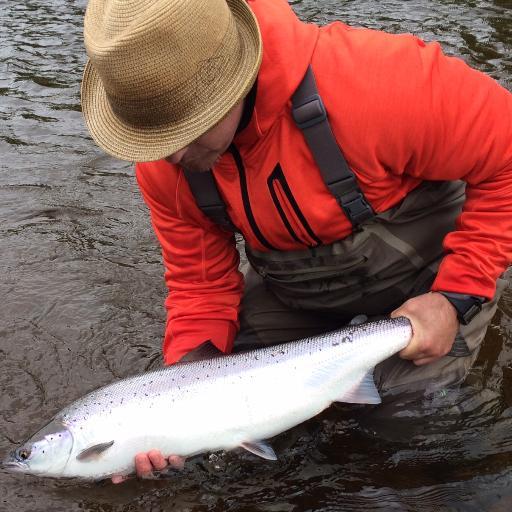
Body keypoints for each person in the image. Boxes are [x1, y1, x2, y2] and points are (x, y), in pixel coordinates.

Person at [80, 0, 511, 482]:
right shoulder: (166, 162)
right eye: (152, 135)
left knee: (408, 429)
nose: (172, 153)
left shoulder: (379, 83)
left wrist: (457, 294)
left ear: (233, 85)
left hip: (429, 272)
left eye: (184, 127)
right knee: (237, 452)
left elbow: (508, 161)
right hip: (295, 289)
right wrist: (177, 403)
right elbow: (200, 286)